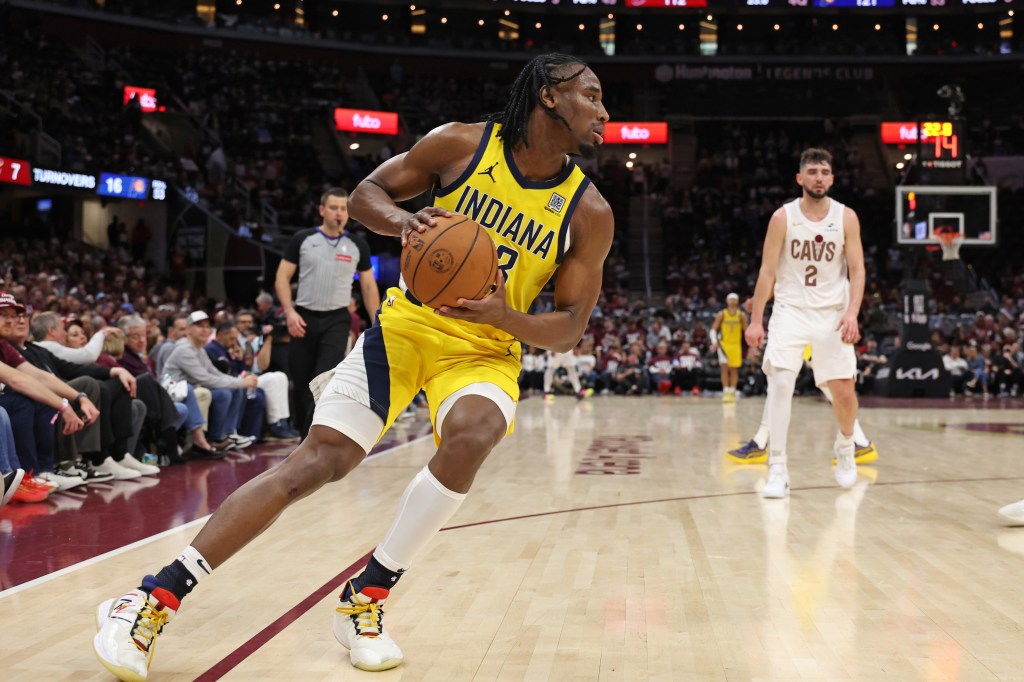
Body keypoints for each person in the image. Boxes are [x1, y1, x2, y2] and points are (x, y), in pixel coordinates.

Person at [94, 52, 612, 679]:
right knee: (319, 462)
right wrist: (406, 222)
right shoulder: (461, 145)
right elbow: (368, 193)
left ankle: (366, 597)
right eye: (592, 95)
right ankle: (151, 598)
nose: (604, 113)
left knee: (474, 433)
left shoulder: (589, 212)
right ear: (549, 96)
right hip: (407, 327)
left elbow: (570, 328)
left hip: (485, 348)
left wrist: (506, 315)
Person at [744, 147, 866, 499]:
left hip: (833, 313)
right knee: (781, 383)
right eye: (812, 172)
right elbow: (767, 271)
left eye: (824, 172)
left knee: (844, 393)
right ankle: (777, 467)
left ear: (832, 178)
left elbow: (857, 270)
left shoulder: (846, 217)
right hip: (791, 310)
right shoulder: (783, 217)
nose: (818, 178)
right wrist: (756, 320)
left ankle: (846, 445)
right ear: (800, 178)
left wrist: (852, 312)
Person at [275, 188, 380, 437]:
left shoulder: (357, 245)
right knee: (301, 381)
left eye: (343, 209)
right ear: (322, 210)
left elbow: (368, 286)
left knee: (323, 378)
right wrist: (289, 312)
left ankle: (310, 439)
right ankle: (303, 434)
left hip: (337, 320)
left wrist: (377, 321)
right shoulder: (303, 239)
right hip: (303, 317)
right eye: (333, 208)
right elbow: (282, 277)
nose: (339, 213)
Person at [709, 292, 747, 403]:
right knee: (724, 368)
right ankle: (726, 391)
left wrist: (751, 346)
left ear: (737, 301)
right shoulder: (722, 314)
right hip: (724, 345)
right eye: (731, 299)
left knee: (734, 369)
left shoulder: (741, 315)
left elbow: (746, 331)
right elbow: (713, 329)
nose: (732, 301)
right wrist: (714, 342)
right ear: (727, 301)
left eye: (734, 299)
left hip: (736, 345)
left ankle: (732, 391)